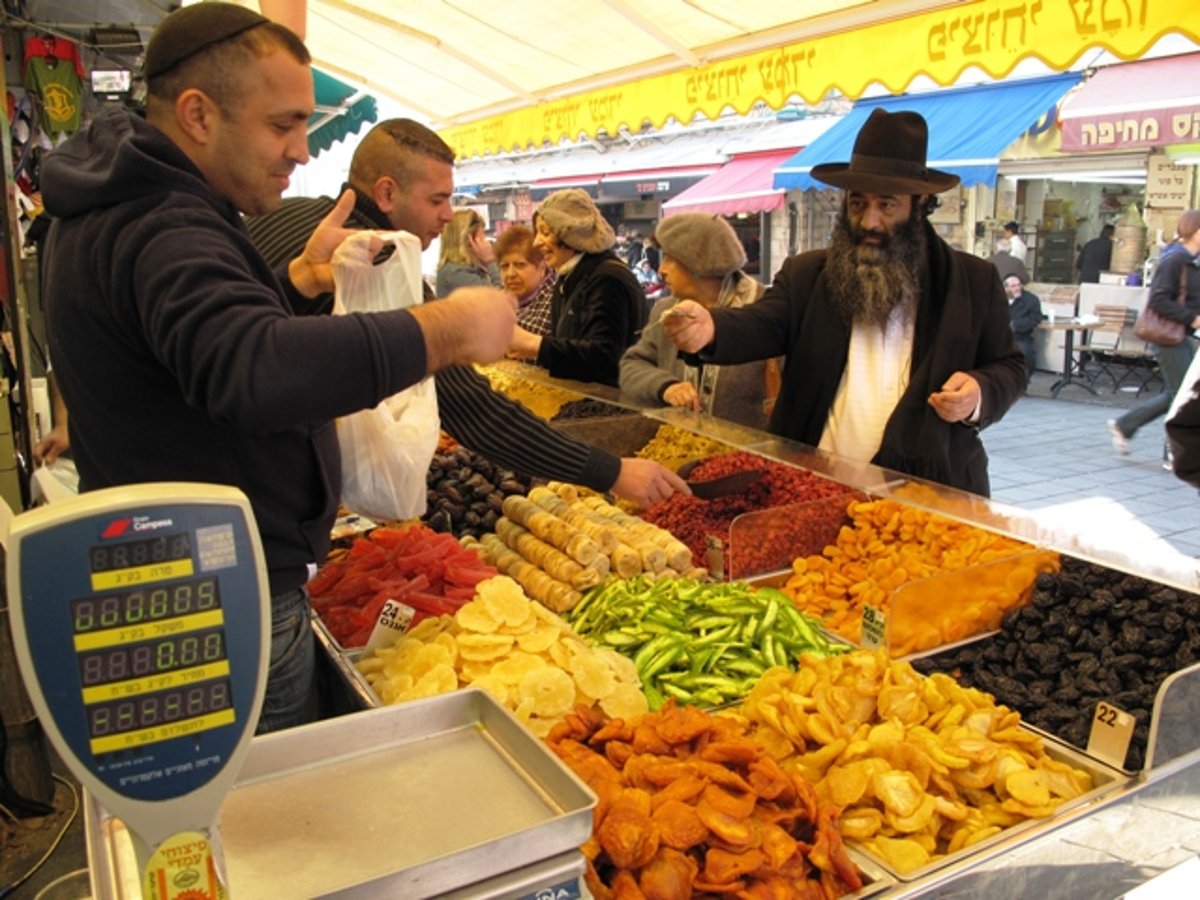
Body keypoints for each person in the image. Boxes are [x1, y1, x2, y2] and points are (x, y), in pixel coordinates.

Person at [39, 4, 517, 733]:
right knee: (264, 828)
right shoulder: (163, 221)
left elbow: (191, 356)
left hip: (173, 584)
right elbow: (252, 371)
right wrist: (443, 328)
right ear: (198, 114)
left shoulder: (118, 206)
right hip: (218, 604)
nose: (301, 151)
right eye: (282, 124)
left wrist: (296, 285)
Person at [246, 119, 686, 507]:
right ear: (386, 193)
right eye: (438, 199)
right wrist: (612, 472)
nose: (448, 215)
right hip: (267, 490)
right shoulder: (378, 261)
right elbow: (470, 408)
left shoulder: (287, 214)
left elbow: (253, 343)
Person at [664, 109, 1026, 496]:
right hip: (813, 491)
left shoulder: (972, 282)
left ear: (920, 205)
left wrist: (978, 392)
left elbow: (1011, 366)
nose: (869, 222)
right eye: (857, 204)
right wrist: (711, 327)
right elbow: (762, 322)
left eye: (887, 206)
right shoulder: (809, 275)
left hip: (927, 497)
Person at [620, 213, 772, 428]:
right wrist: (665, 386)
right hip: (677, 450)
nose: (661, 270)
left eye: (671, 259)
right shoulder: (665, 310)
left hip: (747, 457)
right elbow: (632, 365)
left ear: (700, 262)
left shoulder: (764, 311)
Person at [509, 189, 647, 386]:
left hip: (611, 406)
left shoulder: (608, 279)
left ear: (573, 233)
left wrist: (535, 345)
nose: (537, 242)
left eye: (546, 232)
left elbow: (604, 358)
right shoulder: (568, 278)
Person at [1108, 210, 1200, 455]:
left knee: (1180, 394)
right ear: (1194, 231)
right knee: (1183, 395)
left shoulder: (1192, 259)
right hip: (1169, 336)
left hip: (1185, 335)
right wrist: (1193, 318)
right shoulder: (1175, 260)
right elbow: (1159, 300)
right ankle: (1172, 450)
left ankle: (1126, 426)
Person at [494, 224, 555, 335]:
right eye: (505, 266)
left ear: (541, 268)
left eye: (520, 265)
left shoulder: (555, 302)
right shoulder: (496, 298)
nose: (510, 274)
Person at [435, 208, 501, 296]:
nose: (486, 244)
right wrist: (490, 261)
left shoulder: (462, 270)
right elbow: (501, 299)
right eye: (482, 240)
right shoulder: (457, 274)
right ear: (469, 242)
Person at [1004, 273, 1042, 381]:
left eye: (1019, 285)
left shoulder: (1031, 300)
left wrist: (1015, 325)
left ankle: (1022, 381)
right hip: (999, 336)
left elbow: (1036, 318)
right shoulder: (997, 298)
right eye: (1013, 286)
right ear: (1005, 288)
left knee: (1025, 352)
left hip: (1021, 336)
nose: (1017, 288)